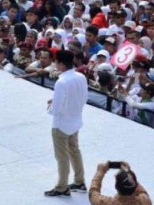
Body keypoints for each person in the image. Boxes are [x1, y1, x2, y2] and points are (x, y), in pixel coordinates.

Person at [46, 50, 88, 197]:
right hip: (75, 121)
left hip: (61, 124)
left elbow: (55, 109)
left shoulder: (61, 82)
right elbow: (83, 97)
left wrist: (49, 107)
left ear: (62, 64)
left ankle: (62, 187)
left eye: (56, 62)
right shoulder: (81, 76)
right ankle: (79, 181)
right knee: (74, 150)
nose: (55, 64)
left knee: (62, 156)